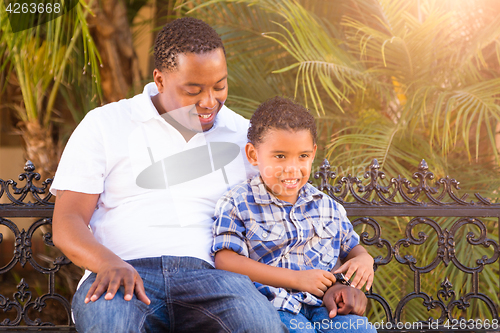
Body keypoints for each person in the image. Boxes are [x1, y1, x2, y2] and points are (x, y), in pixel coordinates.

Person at [51, 17, 366, 332]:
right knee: (112, 325)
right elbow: (68, 223)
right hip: (124, 273)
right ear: (159, 80)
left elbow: (294, 219)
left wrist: (335, 282)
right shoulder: (106, 124)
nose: (208, 102)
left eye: (220, 86)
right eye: (193, 90)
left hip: (216, 280)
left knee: (259, 325)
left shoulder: (249, 138)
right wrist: (108, 263)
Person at [212, 96, 377, 333]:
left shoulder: (326, 206)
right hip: (274, 306)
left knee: (360, 330)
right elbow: (226, 261)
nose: (292, 168)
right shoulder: (238, 202)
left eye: (303, 156)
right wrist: (297, 279)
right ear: (253, 155)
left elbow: (350, 246)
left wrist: (364, 259)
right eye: (280, 156)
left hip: (326, 306)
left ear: (313, 153)